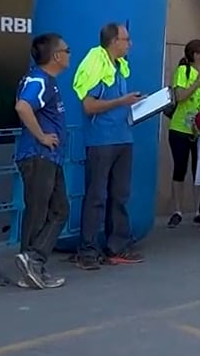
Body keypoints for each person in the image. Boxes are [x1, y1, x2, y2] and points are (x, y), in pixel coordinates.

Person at [72, 22, 144, 270]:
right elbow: (89, 106)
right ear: (113, 42)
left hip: (123, 137)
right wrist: (121, 101)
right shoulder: (95, 63)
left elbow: (119, 102)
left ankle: (117, 246)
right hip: (101, 140)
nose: (130, 44)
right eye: (126, 39)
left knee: (119, 195)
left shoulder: (120, 66)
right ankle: (87, 250)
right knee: (96, 196)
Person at [12, 32, 72, 290]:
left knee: (58, 210)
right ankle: (32, 262)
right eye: (67, 50)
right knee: (40, 212)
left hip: (49, 157)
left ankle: (32, 263)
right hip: (39, 156)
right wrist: (42, 136)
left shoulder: (45, 80)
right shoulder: (40, 80)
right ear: (56, 56)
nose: (69, 54)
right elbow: (22, 106)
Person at [167, 39, 200, 228]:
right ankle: (177, 210)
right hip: (181, 127)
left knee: (199, 169)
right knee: (180, 168)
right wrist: (198, 82)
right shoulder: (183, 71)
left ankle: (199, 210)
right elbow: (180, 96)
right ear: (196, 55)